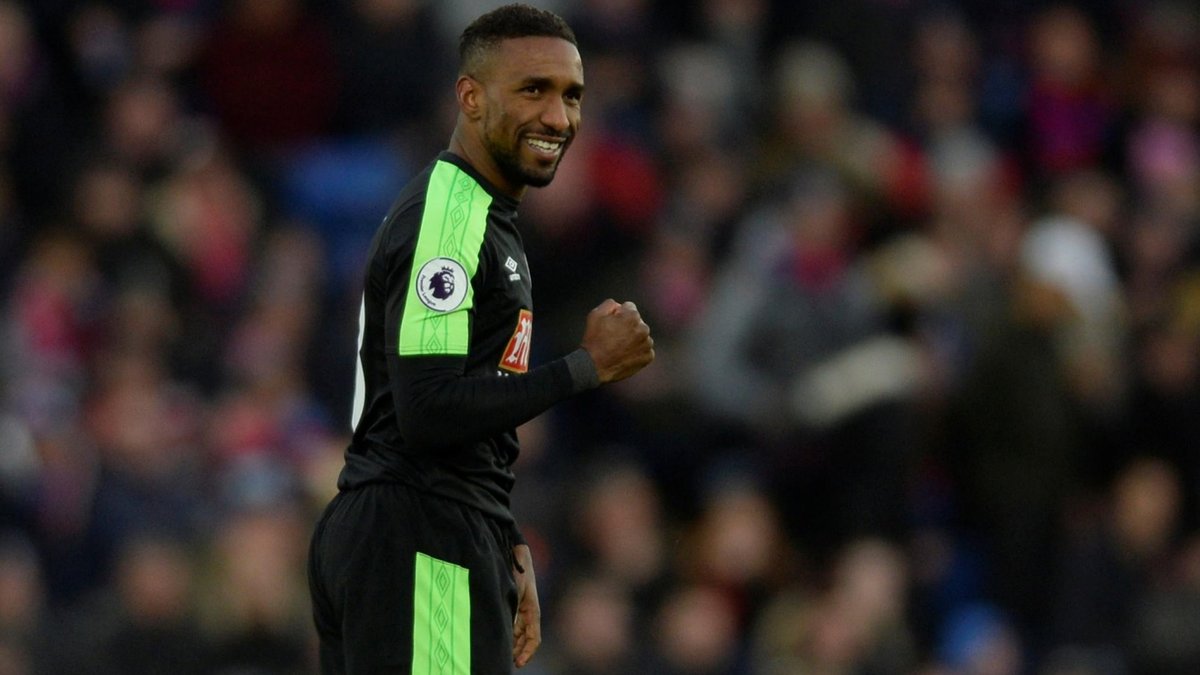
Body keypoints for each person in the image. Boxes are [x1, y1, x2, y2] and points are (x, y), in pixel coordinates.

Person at [306, 4, 655, 674]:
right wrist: (584, 367)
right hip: (418, 538)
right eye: (534, 90)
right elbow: (429, 409)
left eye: (571, 95)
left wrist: (500, 530)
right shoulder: (450, 220)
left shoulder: (487, 219)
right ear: (470, 96)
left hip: (437, 529)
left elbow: (455, 412)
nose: (558, 117)